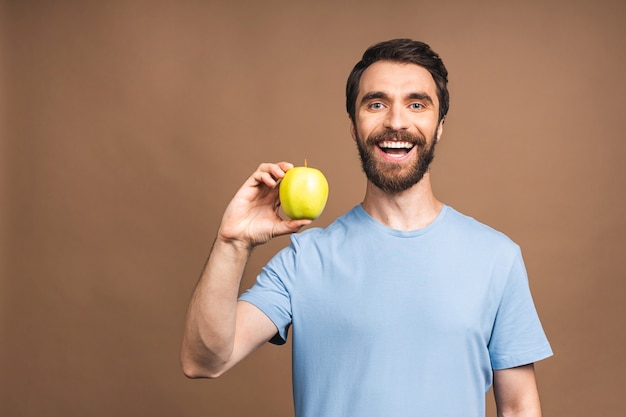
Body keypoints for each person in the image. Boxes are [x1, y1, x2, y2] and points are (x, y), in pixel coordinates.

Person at [181, 38, 553, 416]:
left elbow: (520, 407)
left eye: (416, 104)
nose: (395, 122)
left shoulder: (496, 257)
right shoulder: (304, 260)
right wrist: (233, 241)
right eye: (376, 104)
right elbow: (204, 361)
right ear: (353, 126)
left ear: (439, 126)